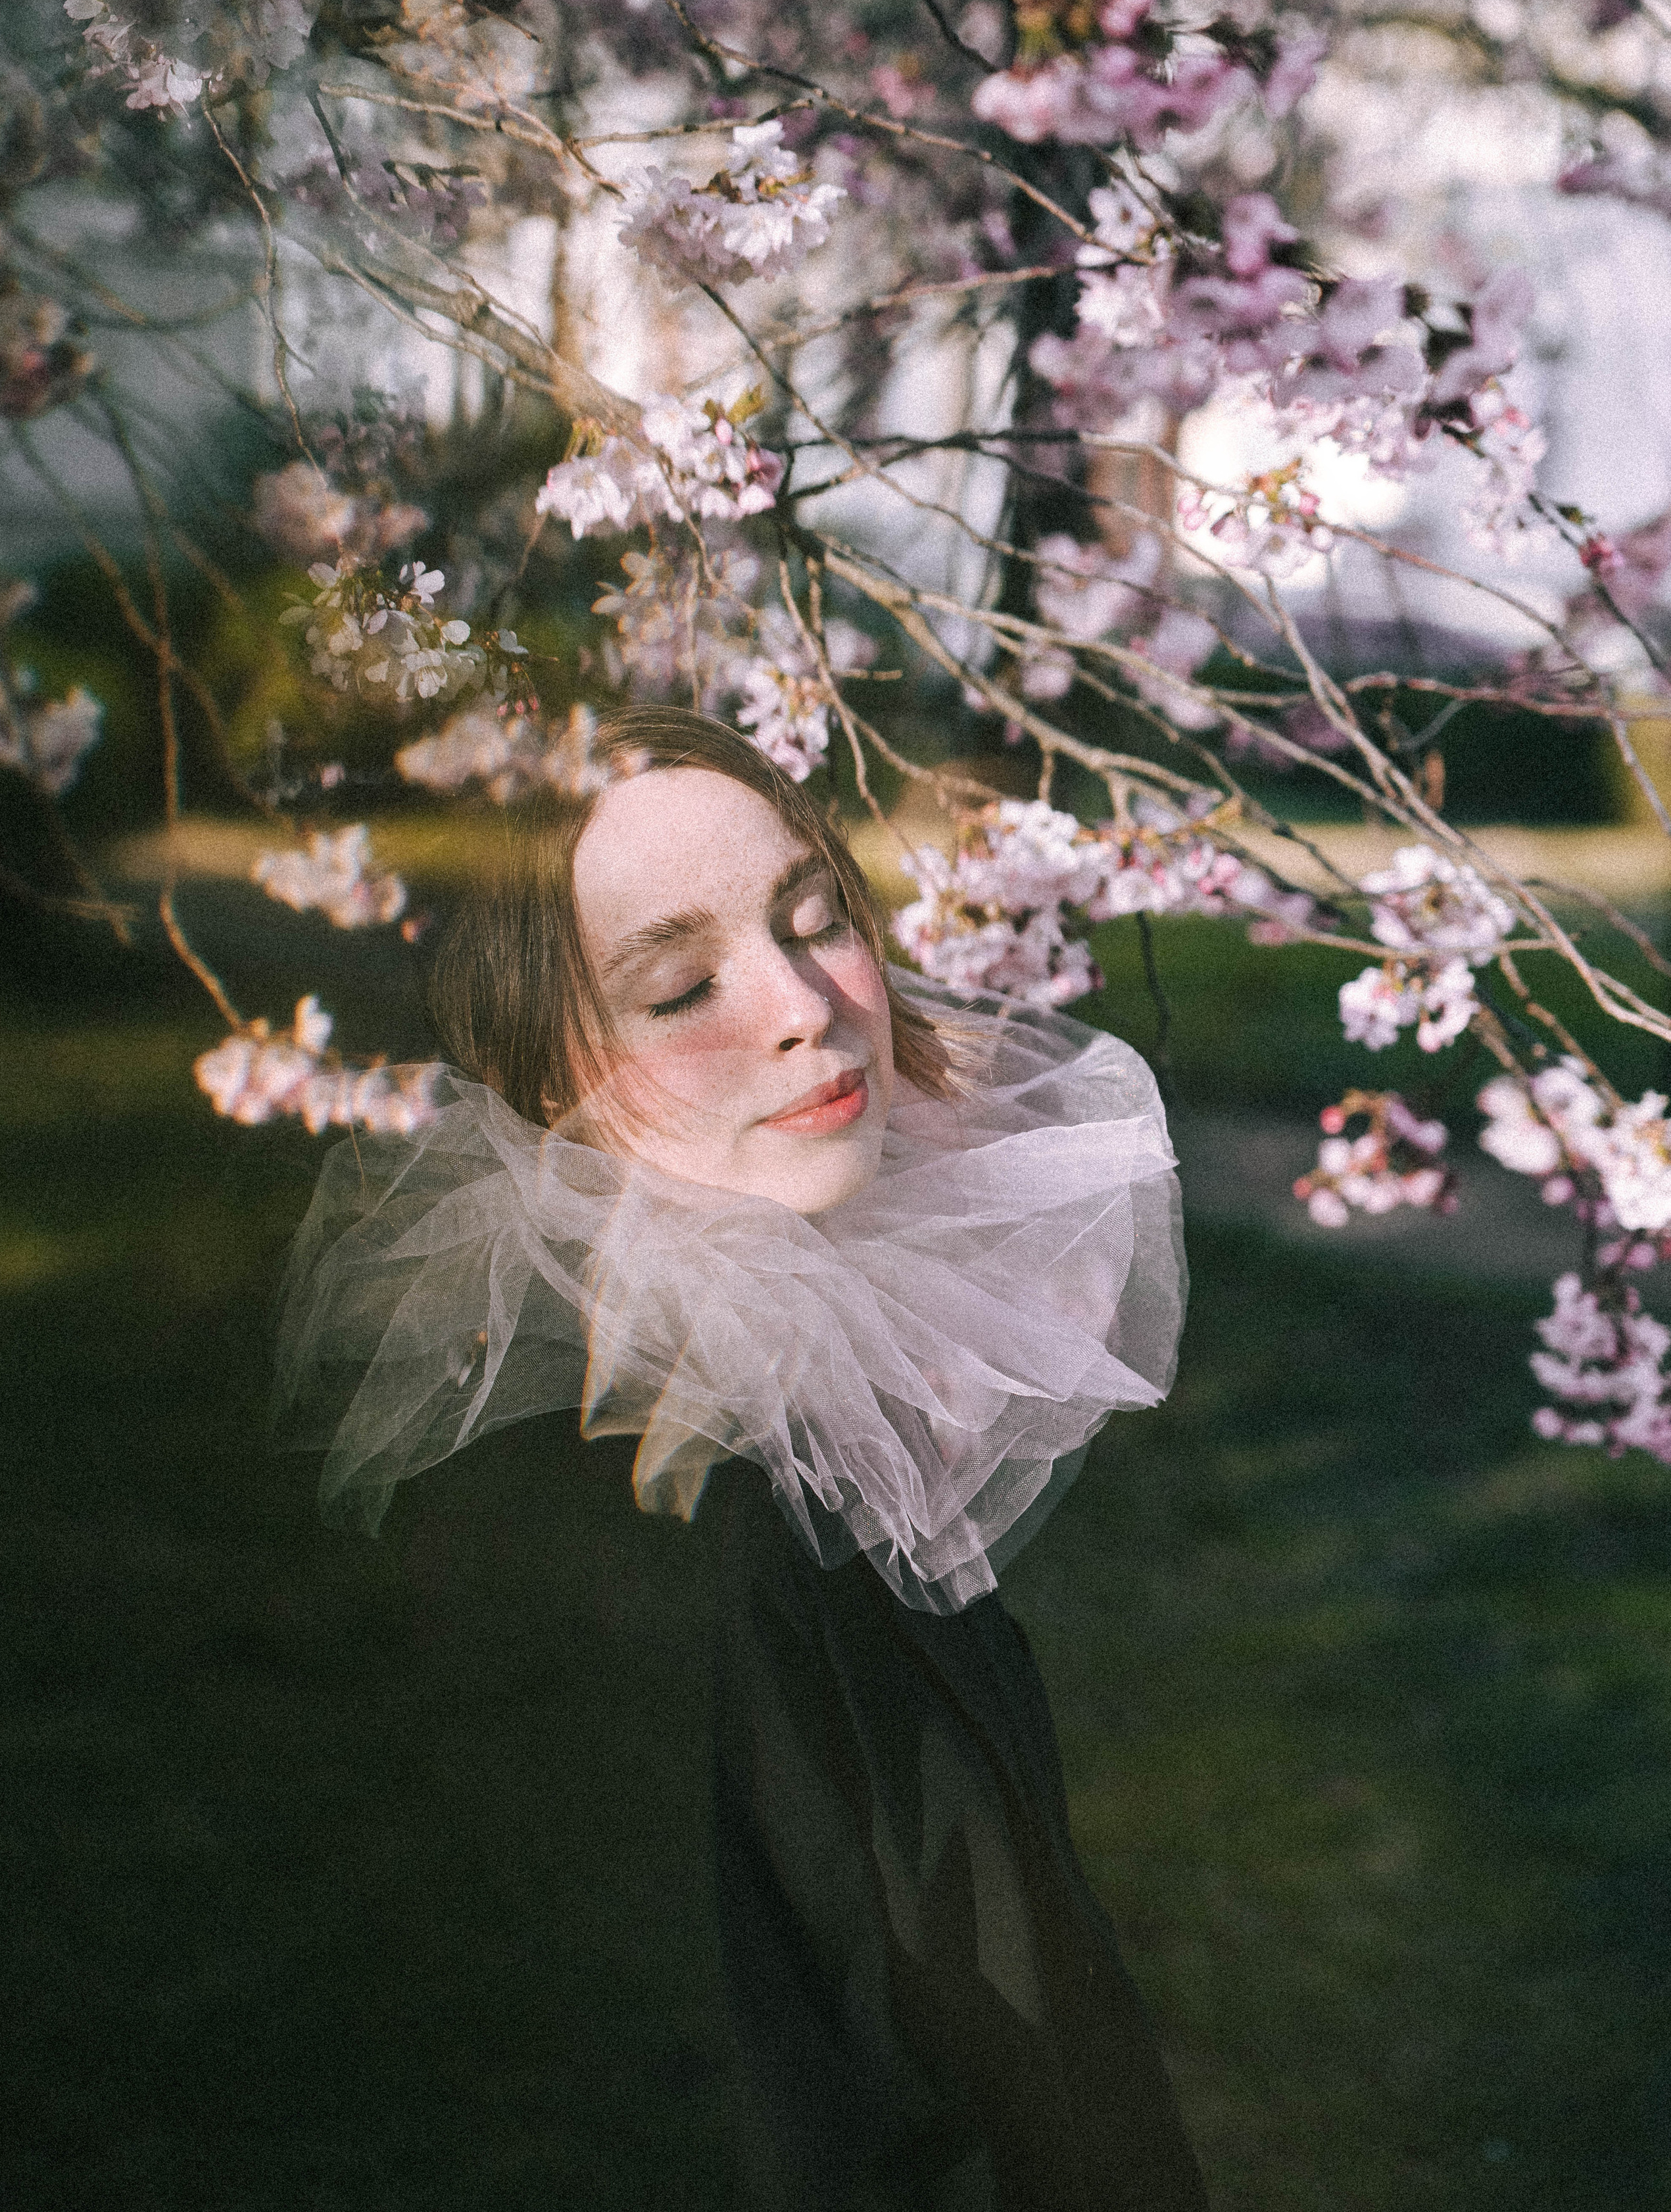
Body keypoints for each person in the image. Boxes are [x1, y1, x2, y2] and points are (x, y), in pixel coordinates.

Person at [275, 707, 1207, 2211]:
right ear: (550, 1070)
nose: (803, 1006)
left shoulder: (796, 1398)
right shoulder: (681, 1526)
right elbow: (771, 2093)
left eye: (817, 916)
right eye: (680, 983)